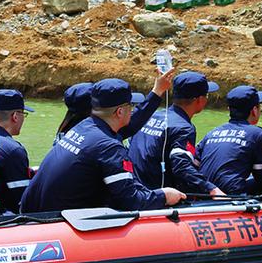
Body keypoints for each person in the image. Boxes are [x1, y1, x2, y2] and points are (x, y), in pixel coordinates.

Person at [20, 79, 186, 212]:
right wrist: (163, 195)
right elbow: (131, 201)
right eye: (131, 107)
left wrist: (157, 92)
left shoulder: (84, 126)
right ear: (120, 112)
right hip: (52, 224)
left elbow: (131, 124)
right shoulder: (109, 147)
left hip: (33, 212)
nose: (133, 110)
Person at [128, 71, 224, 196]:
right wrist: (212, 189)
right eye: (206, 95)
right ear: (200, 100)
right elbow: (181, 166)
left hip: (135, 189)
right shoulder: (183, 128)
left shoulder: (151, 116)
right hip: (158, 197)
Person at [197, 85, 262, 195]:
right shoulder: (257, 134)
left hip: (204, 193)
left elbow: (195, 164)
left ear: (229, 109)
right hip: (230, 197)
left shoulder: (212, 133)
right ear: (254, 110)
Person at [56, 68, 175, 140]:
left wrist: (157, 90)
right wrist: (157, 91)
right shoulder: (99, 136)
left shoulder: (67, 130)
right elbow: (133, 123)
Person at [0, 89, 34, 213]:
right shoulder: (13, 150)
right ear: (15, 116)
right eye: (23, 114)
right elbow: (22, 200)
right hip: (1, 217)